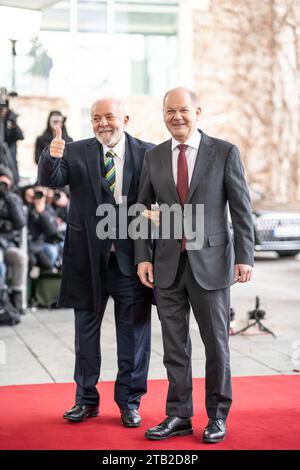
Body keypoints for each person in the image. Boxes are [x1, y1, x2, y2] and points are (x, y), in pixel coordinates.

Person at [136, 87, 254, 443]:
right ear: (163, 115)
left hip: (213, 263)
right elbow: (141, 211)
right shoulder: (154, 157)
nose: (177, 117)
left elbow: (241, 208)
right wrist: (143, 255)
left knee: (216, 345)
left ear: (197, 112)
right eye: (170, 111)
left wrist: (245, 256)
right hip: (167, 266)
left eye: (183, 110)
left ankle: (217, 416)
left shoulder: (224, 152)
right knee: (174, 346)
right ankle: (178, 415)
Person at [38, 98, 154, 427]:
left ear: (125, 119)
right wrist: (52, 154)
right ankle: (85, 400)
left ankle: (129, 402)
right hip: (86, 260)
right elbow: (51, 179)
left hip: (133, 261)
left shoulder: (148, 152)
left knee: (134, 336)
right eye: (95, 118)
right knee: (85, 335)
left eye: (109, 117)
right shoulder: (75, 151)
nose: (102, 123)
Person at [0, 164, 27, 313]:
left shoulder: (13, 199)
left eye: (5, 183)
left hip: (7, 243)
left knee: (20, 257)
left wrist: (8, 197)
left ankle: (17, 297)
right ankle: (2, 298)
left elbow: (20, 223)